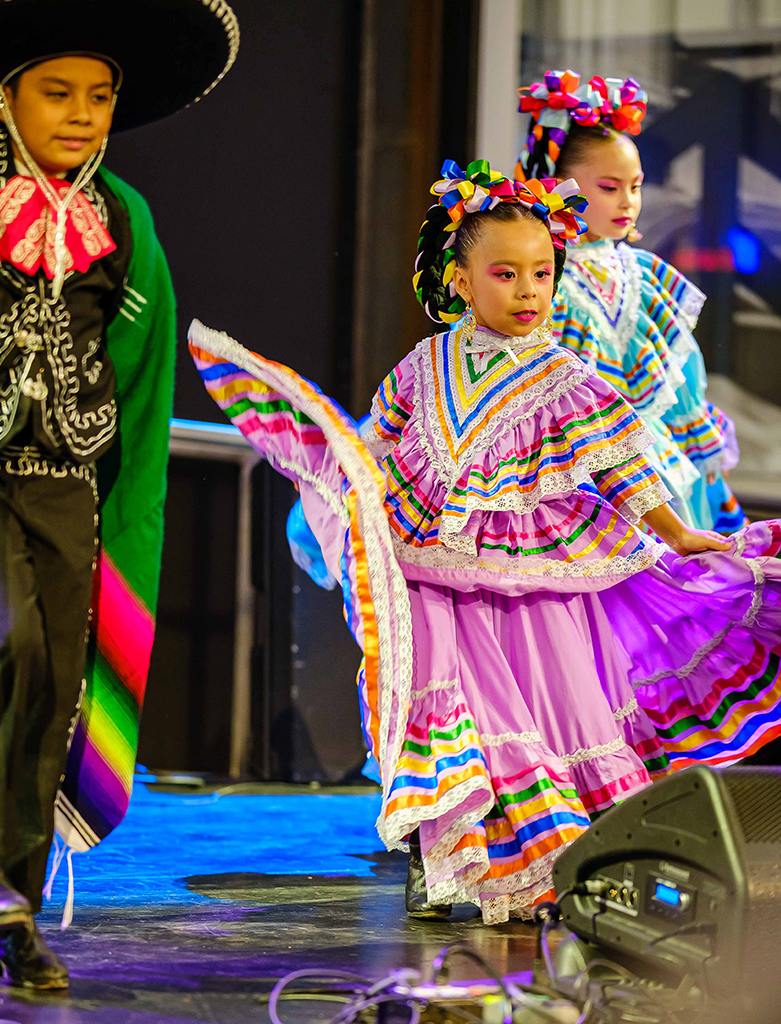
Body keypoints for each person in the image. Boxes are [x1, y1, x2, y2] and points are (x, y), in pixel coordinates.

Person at [188, 159, 781, 925]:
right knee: (431, 704)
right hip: (426, 566)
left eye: (542, 273)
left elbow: (622, 467)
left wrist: (678, 532)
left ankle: (568, 860)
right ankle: (438, 853)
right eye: (506, 274)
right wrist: (339, 485)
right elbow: (376, 445)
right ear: (461, 282)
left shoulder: (567, 376)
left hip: (536, 578)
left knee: (549, 712)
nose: (529, 291)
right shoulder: (423, 366)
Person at [0, 0, 239, 989]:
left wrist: (117, 505)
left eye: (99, 96)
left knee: (52, 690)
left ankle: (7, 904)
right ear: (2, 99)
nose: (81, 114)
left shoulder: (121, 219)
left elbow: (141, 367)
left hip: (64, 487)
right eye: (57, 92)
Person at [516, 70, 746, 535]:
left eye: (636, 186)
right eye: (609, 187)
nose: (627, 202)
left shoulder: (645, 275)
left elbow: (681, 381)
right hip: (567, 458)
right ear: (557, 185)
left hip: (650, 454)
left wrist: (705, 459)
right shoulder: (540, 276)